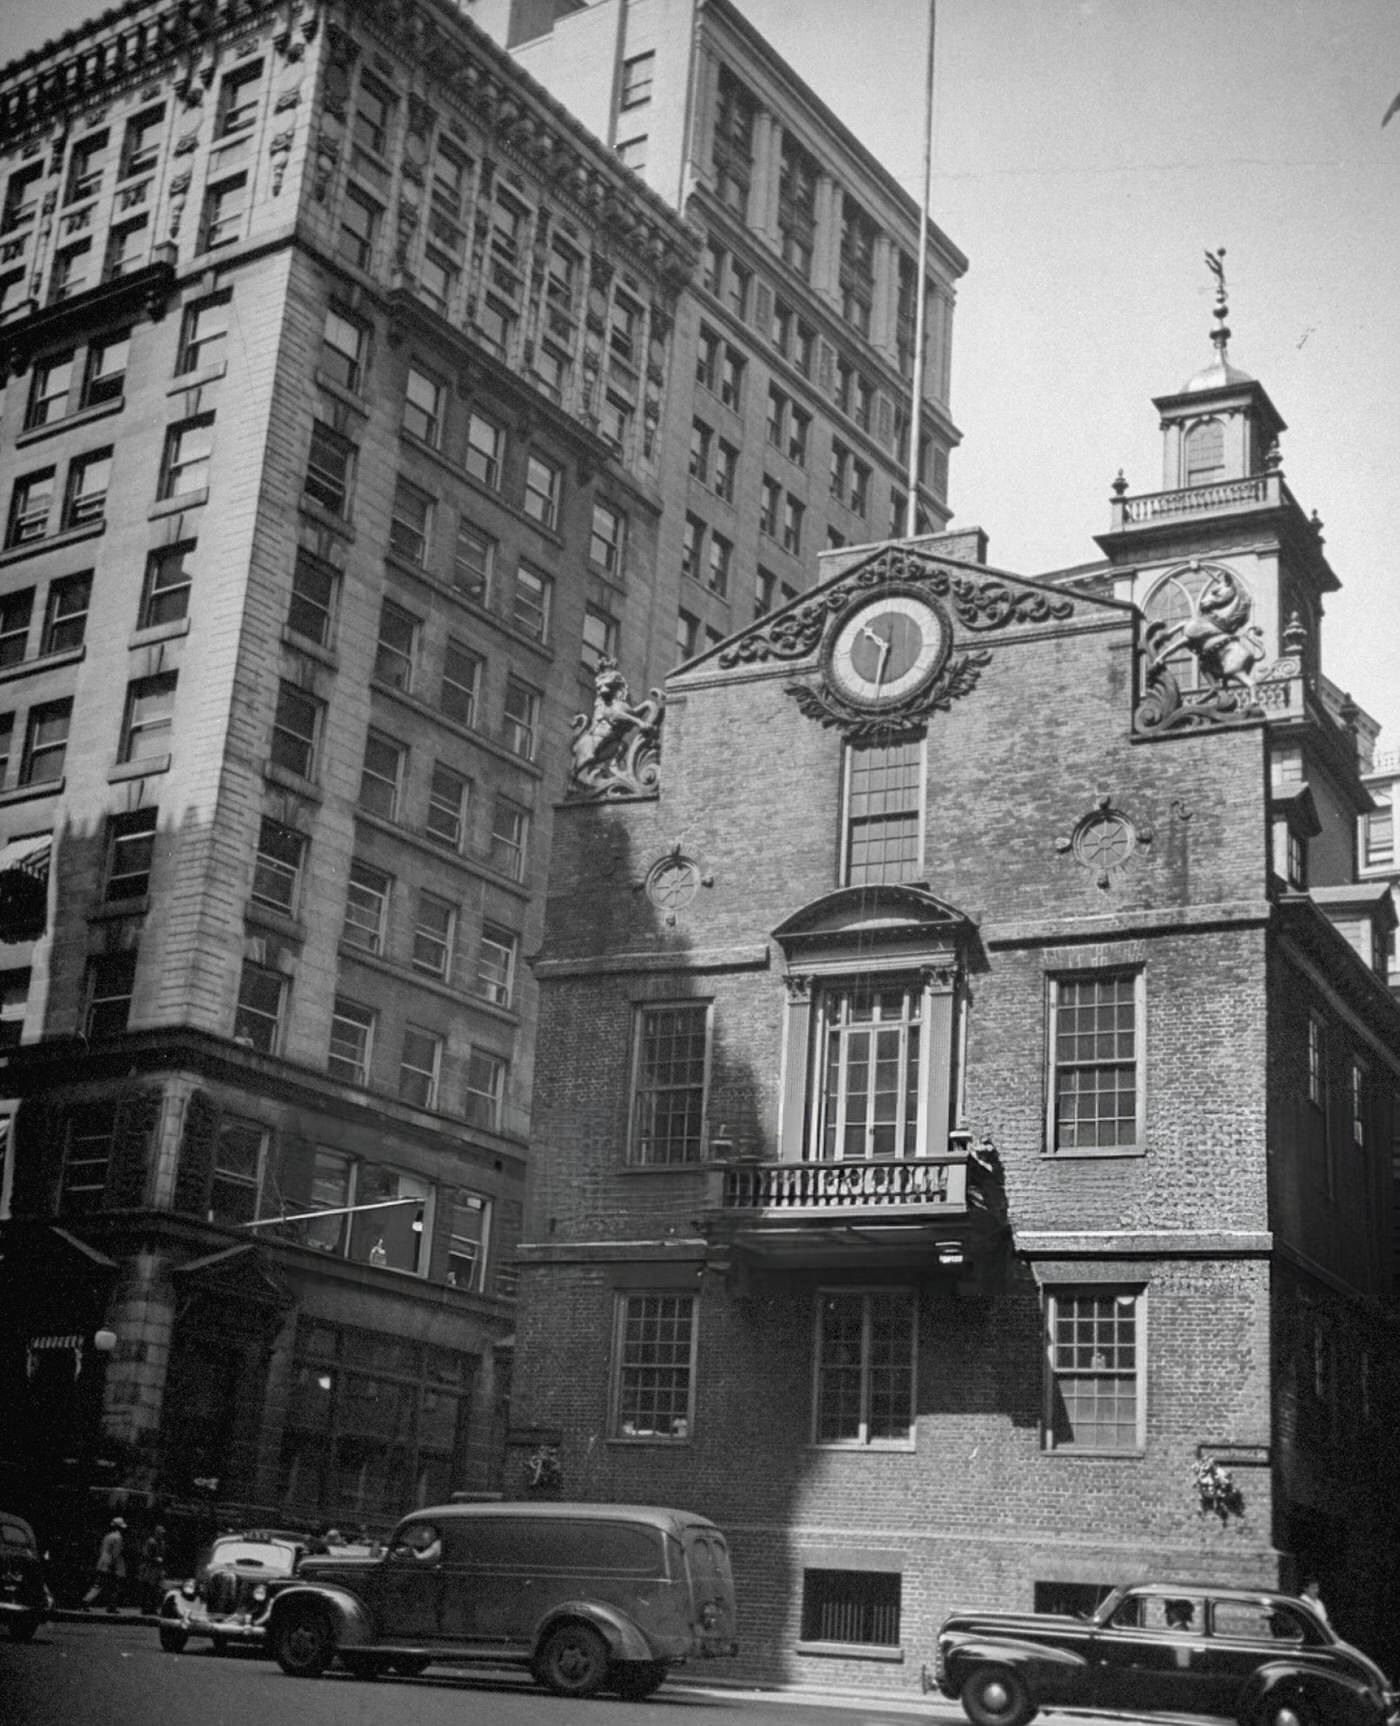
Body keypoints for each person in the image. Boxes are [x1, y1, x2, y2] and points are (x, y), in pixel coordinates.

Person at [83, 1517, 127, 1613]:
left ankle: (86, 1600)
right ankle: (112, 1606)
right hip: (111, 1564)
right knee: (114, 1586)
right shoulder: (118, 1538)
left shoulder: (107, 1536)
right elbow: (116, 1553)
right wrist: (114, 1566)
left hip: (102, 1562)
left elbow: (102, 1550)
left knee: (98, 1584)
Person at [137, 1525, 167, 1616]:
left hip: (157, 1568)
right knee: (148, 1588)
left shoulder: (161, 1542)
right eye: (160, 1533)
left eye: (162, 1533)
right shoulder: (151, 1542)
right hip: (149, 1568)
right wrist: (155, 1559)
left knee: (155, 1589)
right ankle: (145, 1608)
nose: (161, 1535)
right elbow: (145, 1554)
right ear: (156, 1533)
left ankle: (152, 1608)